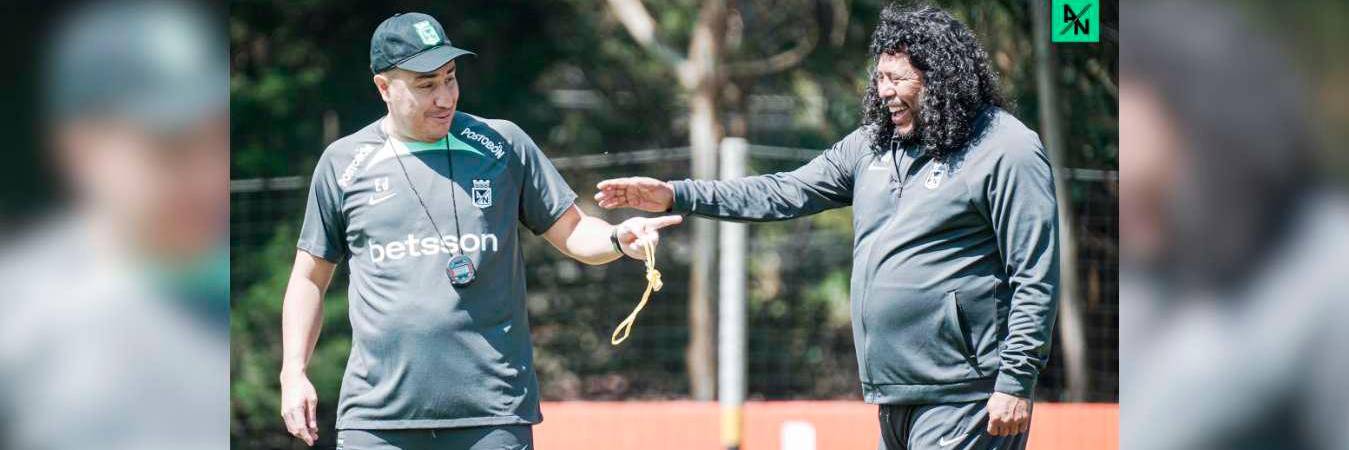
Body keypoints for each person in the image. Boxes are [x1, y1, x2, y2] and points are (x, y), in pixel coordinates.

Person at [596, 4, 1058, 449]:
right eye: (879, 77)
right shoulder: (871, 147)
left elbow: (1034, 276)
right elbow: (783, 191)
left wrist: (1016, 381)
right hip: (894, 395)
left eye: (897, 78)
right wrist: (677, 194)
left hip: (965, 395)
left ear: (940, 79)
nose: (883, 91)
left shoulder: (1005, 148)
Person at [279, 12, 682, 450]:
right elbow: (308, 278)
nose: (445, 97)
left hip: (492, 416)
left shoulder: (502, 143)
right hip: (377, 420)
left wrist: (617, 240)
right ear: (383, 87)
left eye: (450, 78)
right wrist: (293, 372)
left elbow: (574, 231)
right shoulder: (343, 164)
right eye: (426, 84)